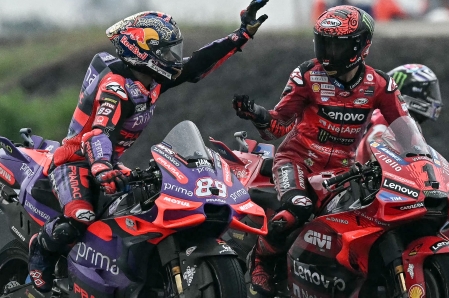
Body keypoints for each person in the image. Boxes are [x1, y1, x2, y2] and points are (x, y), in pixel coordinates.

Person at [27, 1, 269, 292]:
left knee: (142, 205)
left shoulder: (152, 79)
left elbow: (196, 65)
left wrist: (241, 34)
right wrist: (102, 167)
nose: (174, 58)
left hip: (109, 162)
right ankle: (40, 249)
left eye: (174, 50)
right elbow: (97, 134)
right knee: (80, 218)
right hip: (76, 162)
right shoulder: (116, 89)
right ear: (143, 52)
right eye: (167, 52)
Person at [232, 5, 410, 296]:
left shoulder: (380, 84)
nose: (327, 53)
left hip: (342, 172)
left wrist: (418, 157)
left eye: (335, 45)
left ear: (361, 46)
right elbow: (278, 127)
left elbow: (405, 131)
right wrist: (257, 114)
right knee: (298, 209)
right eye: (322, 42)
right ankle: (261, 262)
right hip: (296, 161)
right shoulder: (307, 75)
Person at [356, 63, 444, 164]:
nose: (434, 100)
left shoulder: (379, 115)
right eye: (428, 93)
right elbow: (378, 152)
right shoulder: (390, 119)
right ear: (412, 92)